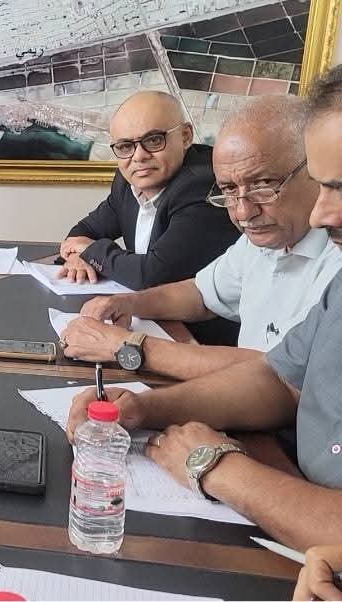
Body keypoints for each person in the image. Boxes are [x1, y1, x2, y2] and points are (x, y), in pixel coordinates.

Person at [64, 66, 342, 550]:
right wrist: (141, 409)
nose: (322, 213)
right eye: (325, 186)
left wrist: (215, 466)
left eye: (264, 184)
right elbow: (281, 378)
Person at [61, 96, 342, 381]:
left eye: (263, 185)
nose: (243, 212)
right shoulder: (264, 239)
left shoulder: (334, 263)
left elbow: (281, 374)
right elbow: (201, 295)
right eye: (228, 190)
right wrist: (128, 303)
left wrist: (127, 347)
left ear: (315, 171)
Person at [58, 91, 239, 290]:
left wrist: (91, 251)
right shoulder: (127, 182)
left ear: (185, 136)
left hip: (201, 309)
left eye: (154, 140)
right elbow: (82, 233)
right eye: (125, 146)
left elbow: (151, 276)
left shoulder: (203, 186)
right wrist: (78, 258)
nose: (139, 156)